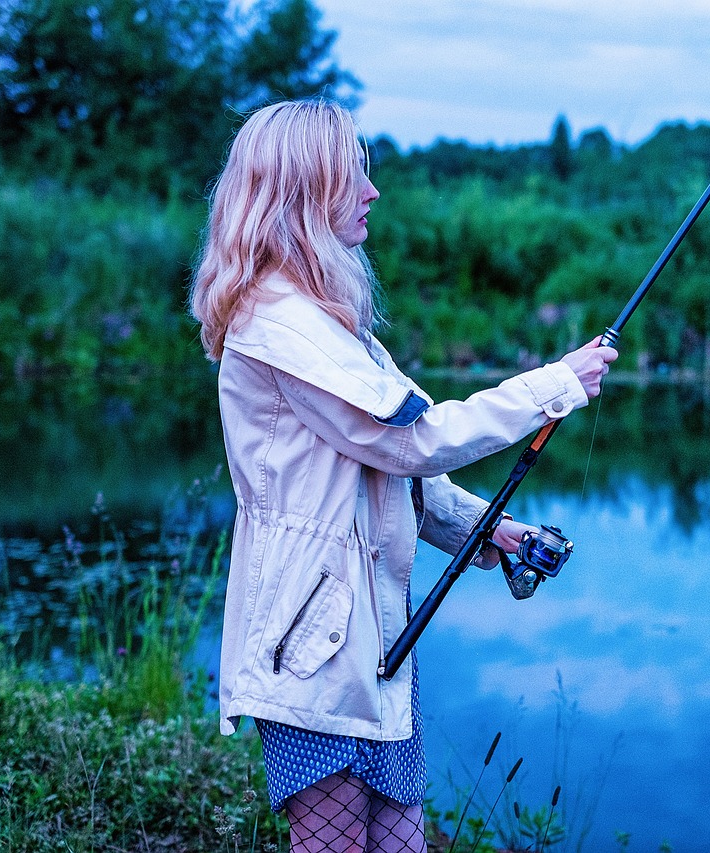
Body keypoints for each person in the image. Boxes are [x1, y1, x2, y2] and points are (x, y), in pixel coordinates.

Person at [189, 99, 616, 853]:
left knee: (402, 844)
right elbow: (411, 444)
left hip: (373, 640)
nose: (372, 190)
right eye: (356, 171)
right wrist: (554, 384)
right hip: (311, 646)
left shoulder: (326, 324)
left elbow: (394, 472)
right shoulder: (276, 324)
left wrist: (494, 530)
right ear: (307, 188)